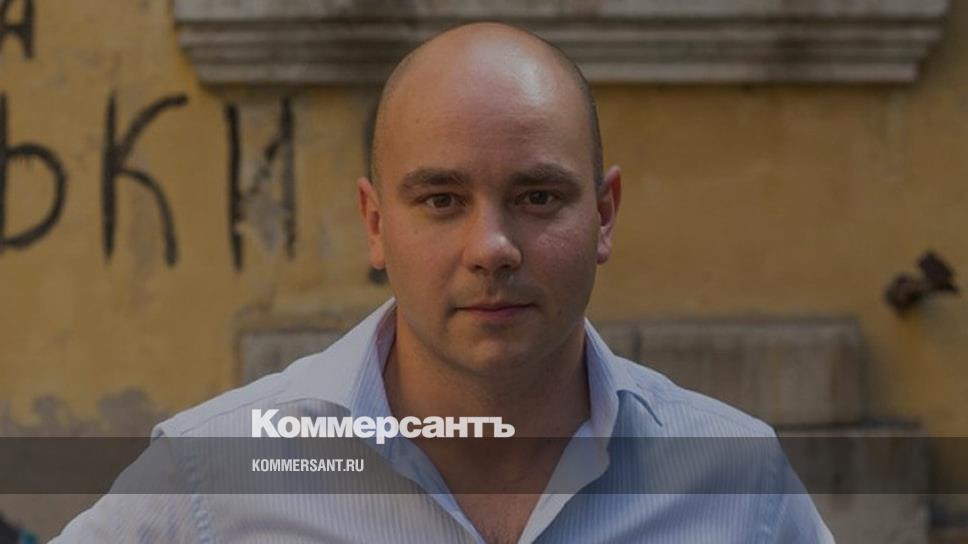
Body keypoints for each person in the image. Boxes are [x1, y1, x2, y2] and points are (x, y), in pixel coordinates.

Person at [55, 22, 834, 543]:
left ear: (603, 215)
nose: (492, 248)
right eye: (441, 200)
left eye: (538, 197)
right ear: (374, 224)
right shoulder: (213, 477)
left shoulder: (737, 483)